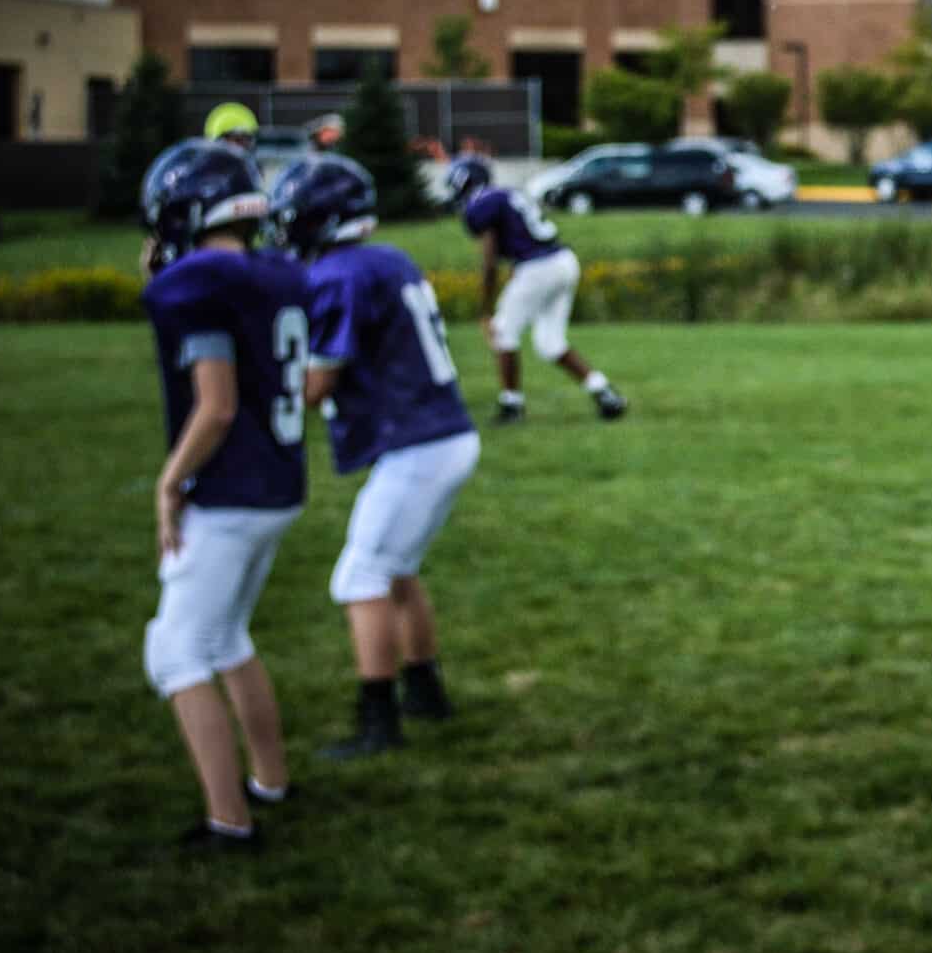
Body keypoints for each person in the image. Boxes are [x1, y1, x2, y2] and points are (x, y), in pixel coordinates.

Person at [272, 153, 480, 761]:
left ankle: (378, 718)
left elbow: (319, 384)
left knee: (359, 575)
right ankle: (425, 691)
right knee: (397, 568)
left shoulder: (340, 275)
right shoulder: (386, 258)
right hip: (445, 433)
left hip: (417, 442)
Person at [137, 139, 313, 853]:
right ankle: (269, 780)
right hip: (279, 481)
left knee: (175, 654)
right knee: (227, 635)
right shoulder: (277, 271)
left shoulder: (198, 283)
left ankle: (228, 822)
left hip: (231, 487)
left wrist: (170, 479)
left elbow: (214, 405)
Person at [444, 155, 626, 422]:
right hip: (563, 261)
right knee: (550, 343)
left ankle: (511, 405)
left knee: (503, 330)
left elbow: (490, 262)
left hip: (538, 266)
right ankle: (604, 393)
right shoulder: (506, 194)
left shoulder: (483, 204)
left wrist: (485, 309)